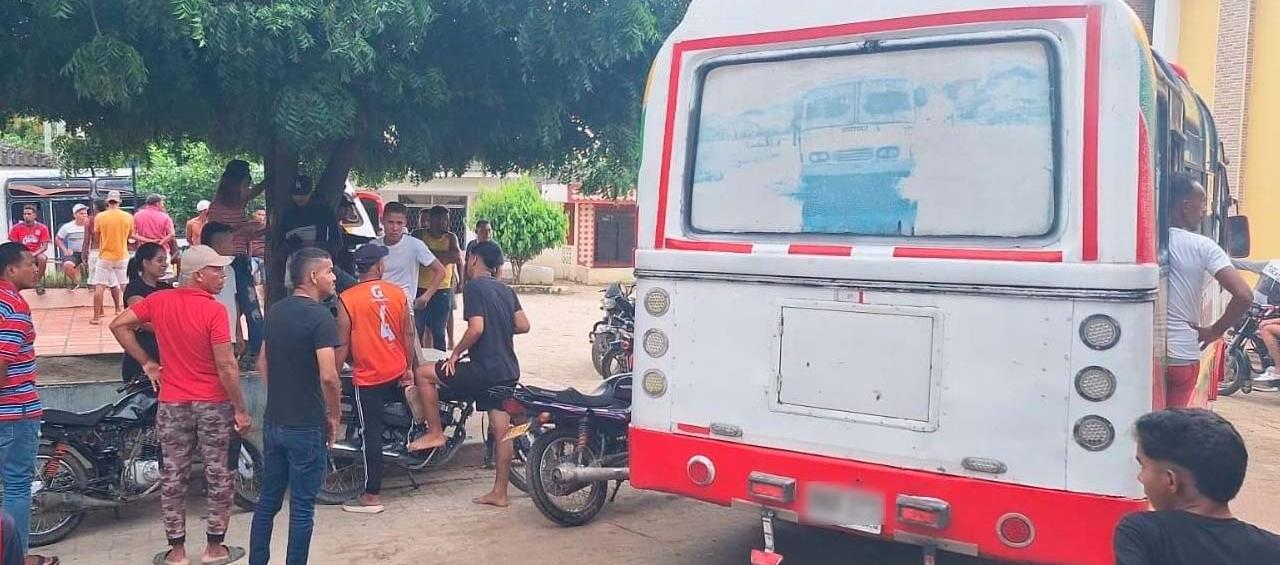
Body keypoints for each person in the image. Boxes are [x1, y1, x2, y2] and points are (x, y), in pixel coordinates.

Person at [109, 245, 251, 565]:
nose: (223, 274)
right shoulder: (215, 311)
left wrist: (147, 362)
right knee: (219, 474)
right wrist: (240, 408)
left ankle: (176, 552)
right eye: (216, 269)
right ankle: (214, 548)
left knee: (173, 475)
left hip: (172, 403)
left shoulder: (159, 301)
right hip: (213, 403)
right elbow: (226, 366)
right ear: (198, 275)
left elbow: (118, 324)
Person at [409, 241, 529, 508]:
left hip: (483, 371)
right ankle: (500, 493)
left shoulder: (475, 287)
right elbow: (523, 325)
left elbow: (476, 328)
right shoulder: (505, 289)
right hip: (507, 370)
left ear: (474, 259)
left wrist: (454, 354)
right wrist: (500, 326)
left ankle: (435, 432)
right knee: (503, 431)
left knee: (424, 372)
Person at [249, 248, 340, 565]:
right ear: (313, 276)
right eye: (329, 271)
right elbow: (329, 376)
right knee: (302, 506)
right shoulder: (321, 317)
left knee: (268, 501)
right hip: (306, 424)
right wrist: (335, 415)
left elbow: (262, 359)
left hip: (275, 421)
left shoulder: (275, 311)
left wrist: (277, 393)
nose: (334, 277)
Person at [1114, 408, 1280, 564]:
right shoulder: (1273, 549)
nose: (1140, 477)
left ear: (1171, 480)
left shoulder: (1142, 532)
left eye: (1143, 466)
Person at [334, 244, 415, 514]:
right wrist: (408, 368)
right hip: (396, 369)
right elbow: (409, 334)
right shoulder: (397, 294)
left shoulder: (347, 298)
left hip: (368, 376)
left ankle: (372, 495)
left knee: (371, 434)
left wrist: (333, 375)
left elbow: (342, 344)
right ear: (379, 266)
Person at [1164, 174, 1252, 407]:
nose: (1204, 210)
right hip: (1181, 355)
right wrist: (1215, 330)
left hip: (1139, 351)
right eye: (1201, 203)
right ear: (1184, 206)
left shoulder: (1139, 241)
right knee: (1172, 428)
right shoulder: (1202, 246)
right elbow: (1244, 295)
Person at [0, 243, 59, 565]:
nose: (36, 270)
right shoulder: (13, 305)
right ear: (11, 269)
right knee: (17, 486)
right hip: (14, 411)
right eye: (29, 264)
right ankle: (16, 557)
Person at [207, 160, 266, 371]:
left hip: (241, 259)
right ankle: (246, 349)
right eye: (244, 184)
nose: (247, 189)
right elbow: (217, 238)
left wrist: (263, 230)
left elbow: (257, 190)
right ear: (234, 183)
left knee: (248, 307)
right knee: (241, 307)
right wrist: (244, 229)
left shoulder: (239, 201)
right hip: (225, 260)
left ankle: (255, 350)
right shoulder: (217, 209)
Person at [376, 203, 444, 322]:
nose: (395, 228)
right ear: (382, 221)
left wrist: (425, 297)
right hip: (377, 308)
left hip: (404, 309)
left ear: (405, 223)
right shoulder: (373, 246)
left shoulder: (415, 245)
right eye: (390, 222)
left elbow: (440, 271)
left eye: (399, 223)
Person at [121, 243, 172, 383]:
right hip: (142, 355)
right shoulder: (134, 288)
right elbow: (143, 321)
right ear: (145, 263)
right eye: (159, 260)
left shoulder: (167, 288)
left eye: (165, 260)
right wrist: (172, 327)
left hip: (166, 357)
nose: (165, 264)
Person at [412, 207, 462, 351]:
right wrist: (443, 256)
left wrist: (428, 255)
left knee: (439, 333)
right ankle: (417, 364)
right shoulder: (418, 235)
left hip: (443, 290)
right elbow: (416, 255)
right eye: (443, 220)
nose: (447, 223)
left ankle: (439, 367)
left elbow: (456, 257)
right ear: (432, 220)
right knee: (418, 330)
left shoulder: (451, 237)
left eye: (448, 220)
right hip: (420, 289)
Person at [90, 191, 133, 325]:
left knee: (99, 287)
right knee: (125, 286)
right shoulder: (128, 217)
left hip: (105, 256)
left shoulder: (100, 217)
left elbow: (96, 236)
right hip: (122, 255)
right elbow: (130, 236)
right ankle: (131, 315)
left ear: (107, 202)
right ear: (120, 202)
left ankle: (96, 317)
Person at [199, 223, 243, 357]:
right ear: (218, 245)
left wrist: (238, 332)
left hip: (228, 334)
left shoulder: (229, 269)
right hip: (207, 335)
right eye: (230, 242)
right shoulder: (200, 271)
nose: (233, 246)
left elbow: (233, 301)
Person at [7, 206, 50, 296]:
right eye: (25, 214)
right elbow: (14, 245)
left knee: (43, 258)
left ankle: (37, 282)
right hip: (21, 253)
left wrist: (34, 254)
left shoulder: (42, 228)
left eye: (29, 214)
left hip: (36, 253)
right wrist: (24, 254)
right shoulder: (16, 228)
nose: (26, 216)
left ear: (34, 215)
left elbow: (45, 246)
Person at [55, 204, 89, 290]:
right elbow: (58, 239)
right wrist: (65, 250)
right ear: (75, 215)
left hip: (89, 252)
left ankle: (92, 283)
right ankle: (76, 283)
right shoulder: (67, 227)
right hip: (74, 253)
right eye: (81, 214)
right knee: (67, 265)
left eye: (85, 213)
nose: (84, 215)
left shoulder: (91, 225)